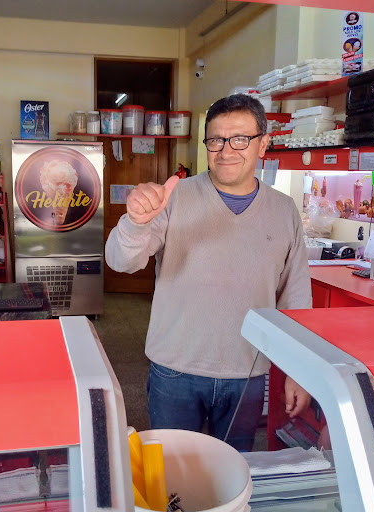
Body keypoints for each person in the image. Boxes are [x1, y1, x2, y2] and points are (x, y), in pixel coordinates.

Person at [105, 94, 312, 451]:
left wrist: (299, 370)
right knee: (172, 468)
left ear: (263, 144)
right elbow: (121, 261)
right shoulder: (175, 197)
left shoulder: (284, 210)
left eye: (240, 139)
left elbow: (296, 297)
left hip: (246, 371)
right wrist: (135, 223)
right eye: (216, 140)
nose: (226, 150)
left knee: (233, 467)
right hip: (175, 368)